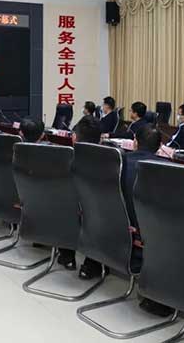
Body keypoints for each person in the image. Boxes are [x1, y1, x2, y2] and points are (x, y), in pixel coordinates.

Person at [59, 115, 105, 279]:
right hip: (99, 219)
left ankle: (67, 256)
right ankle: (91, 265)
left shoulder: (63, 159)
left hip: (67, 214)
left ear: (74, 138)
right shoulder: (110, 164)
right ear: (100, 140)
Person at [121, 126, 162, 228]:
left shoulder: (118, 161)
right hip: (152, 229)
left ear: (135, 142)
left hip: (119, 225)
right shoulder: (167, 168)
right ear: (160, 146)